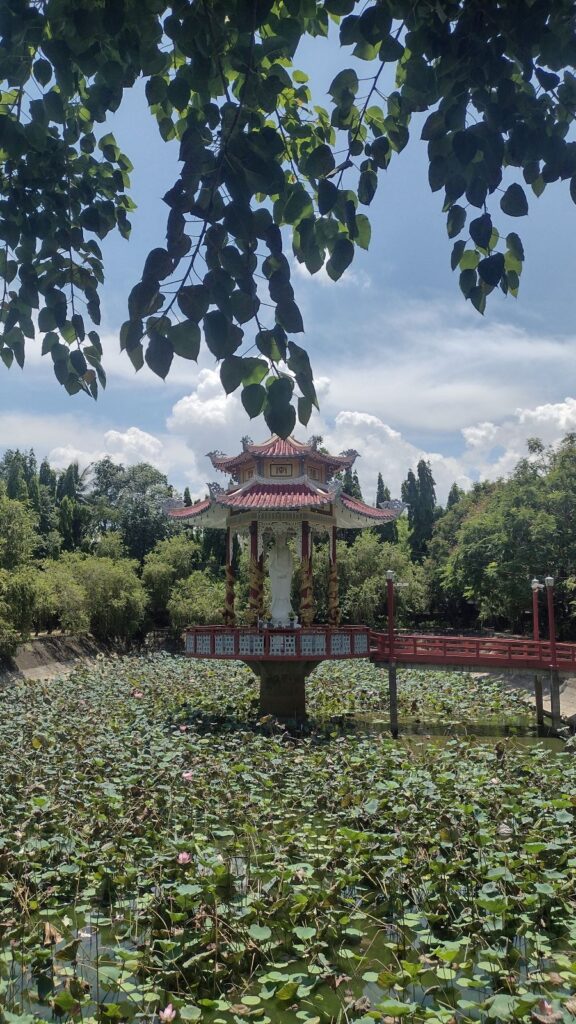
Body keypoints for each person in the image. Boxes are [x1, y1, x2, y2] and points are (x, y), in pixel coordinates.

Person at [269, 531, 294, 626]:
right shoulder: (273, 550)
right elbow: (271, 567)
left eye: (282, 538)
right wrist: (278, 573)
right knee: (277, 594)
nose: (281, 539)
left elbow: (291, 565)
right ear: (276, 539)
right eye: (279, 538)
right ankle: (274, 611)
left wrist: (286, 573)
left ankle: (288, 612)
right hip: (276, 577)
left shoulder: (288, 551)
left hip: (286, 577)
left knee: (285, 594)